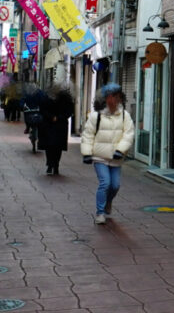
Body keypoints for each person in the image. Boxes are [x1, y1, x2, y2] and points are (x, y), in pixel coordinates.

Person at [80, 83, 135, 224]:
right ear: (105, 99)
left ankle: (108, 201)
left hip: (116, 158)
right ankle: (100, 213)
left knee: (115, 185)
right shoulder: (96, 116)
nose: (113, 100)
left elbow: (128, 135)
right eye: (110, 97)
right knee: (105, 183)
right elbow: (88, 135)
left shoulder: (125, 115)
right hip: (100, 156)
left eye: (116, 97)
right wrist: (87, 153)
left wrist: (120, 150)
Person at [38, 82, 75, 175]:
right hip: (51, 125)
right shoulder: (46, 97)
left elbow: (69, 111)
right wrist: (52, 117)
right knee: (50, 146)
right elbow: (42, 109)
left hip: (58, 125)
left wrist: (58, 117)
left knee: (56, 147)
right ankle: (51, 165)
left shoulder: (65, 98)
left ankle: (55, 165)